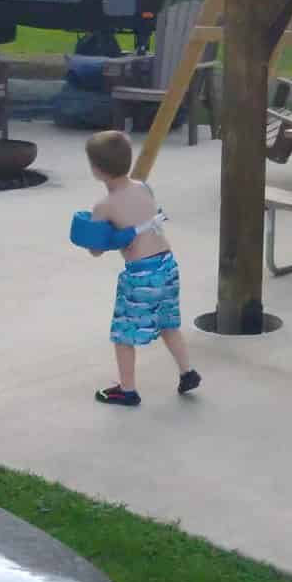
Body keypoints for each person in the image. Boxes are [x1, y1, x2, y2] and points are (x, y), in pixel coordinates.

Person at [83, 130, 197, 405]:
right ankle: (187, 372)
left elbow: (96, 250)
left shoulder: (104, 206)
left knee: (123, 333)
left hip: (141, 274)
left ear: (97, 170)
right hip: (168, 264)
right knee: (168, 323)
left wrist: (97, 238)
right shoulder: (143, 187)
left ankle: (128, 390)